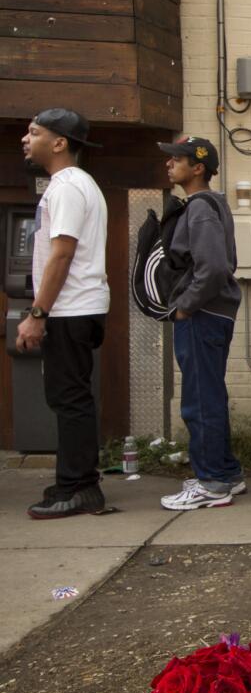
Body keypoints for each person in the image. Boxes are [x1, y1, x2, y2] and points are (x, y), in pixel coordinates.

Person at [18, 109, 109, 519]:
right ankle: (74, 481)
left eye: (34, 132)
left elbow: (63, 252)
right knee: (68, 396)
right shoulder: (69, 185)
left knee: (69, 398)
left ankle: (80, 488)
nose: (25, 138)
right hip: (74, 307)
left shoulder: (69, 186)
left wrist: (38, 313)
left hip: (71, 309)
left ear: (59, 143)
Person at [156, 136, 246, 511]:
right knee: (209, 393)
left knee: (199, 398)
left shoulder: (200, 208)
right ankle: (225, 472)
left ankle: (211, 484)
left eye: (176, 159)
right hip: (211, 313)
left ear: (197, 167)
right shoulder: (205, 206)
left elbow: (212, 268)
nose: (169, 164)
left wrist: (185, 307)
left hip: (202, 314)